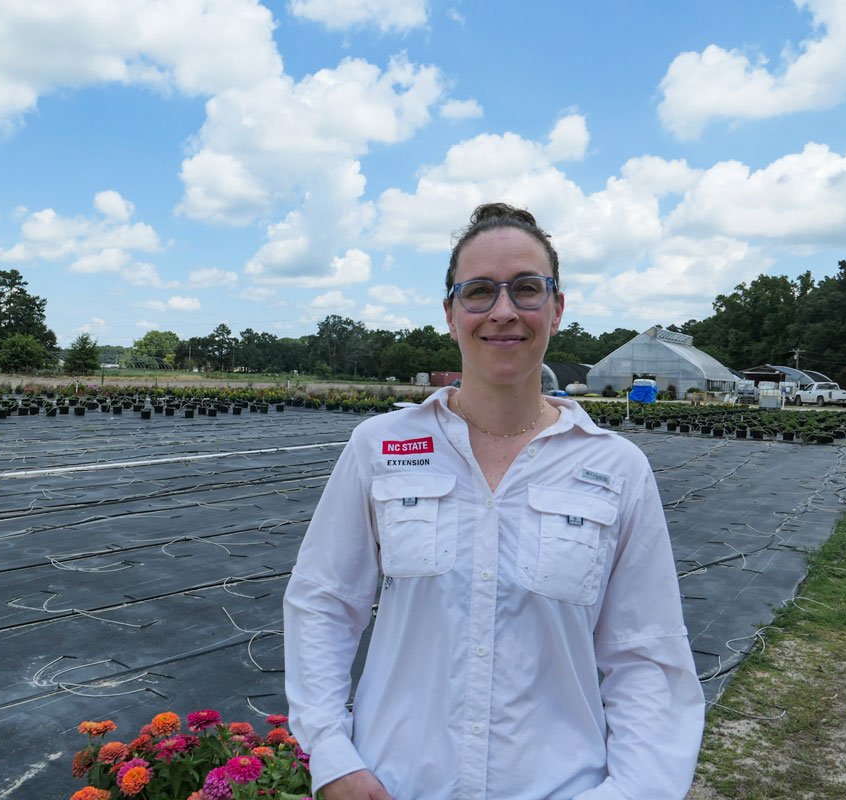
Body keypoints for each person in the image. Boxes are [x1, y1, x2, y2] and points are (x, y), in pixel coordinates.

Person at [283, 203, 705, 799]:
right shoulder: (379, 446)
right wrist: (330, 754)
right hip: (397, 785)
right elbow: (323, 602)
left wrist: (630, 792)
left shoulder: (616, 468)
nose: (503, 311)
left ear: (556, 309)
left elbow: (647, 655)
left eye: (527, 289)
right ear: (451, 314)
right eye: (479, 291)